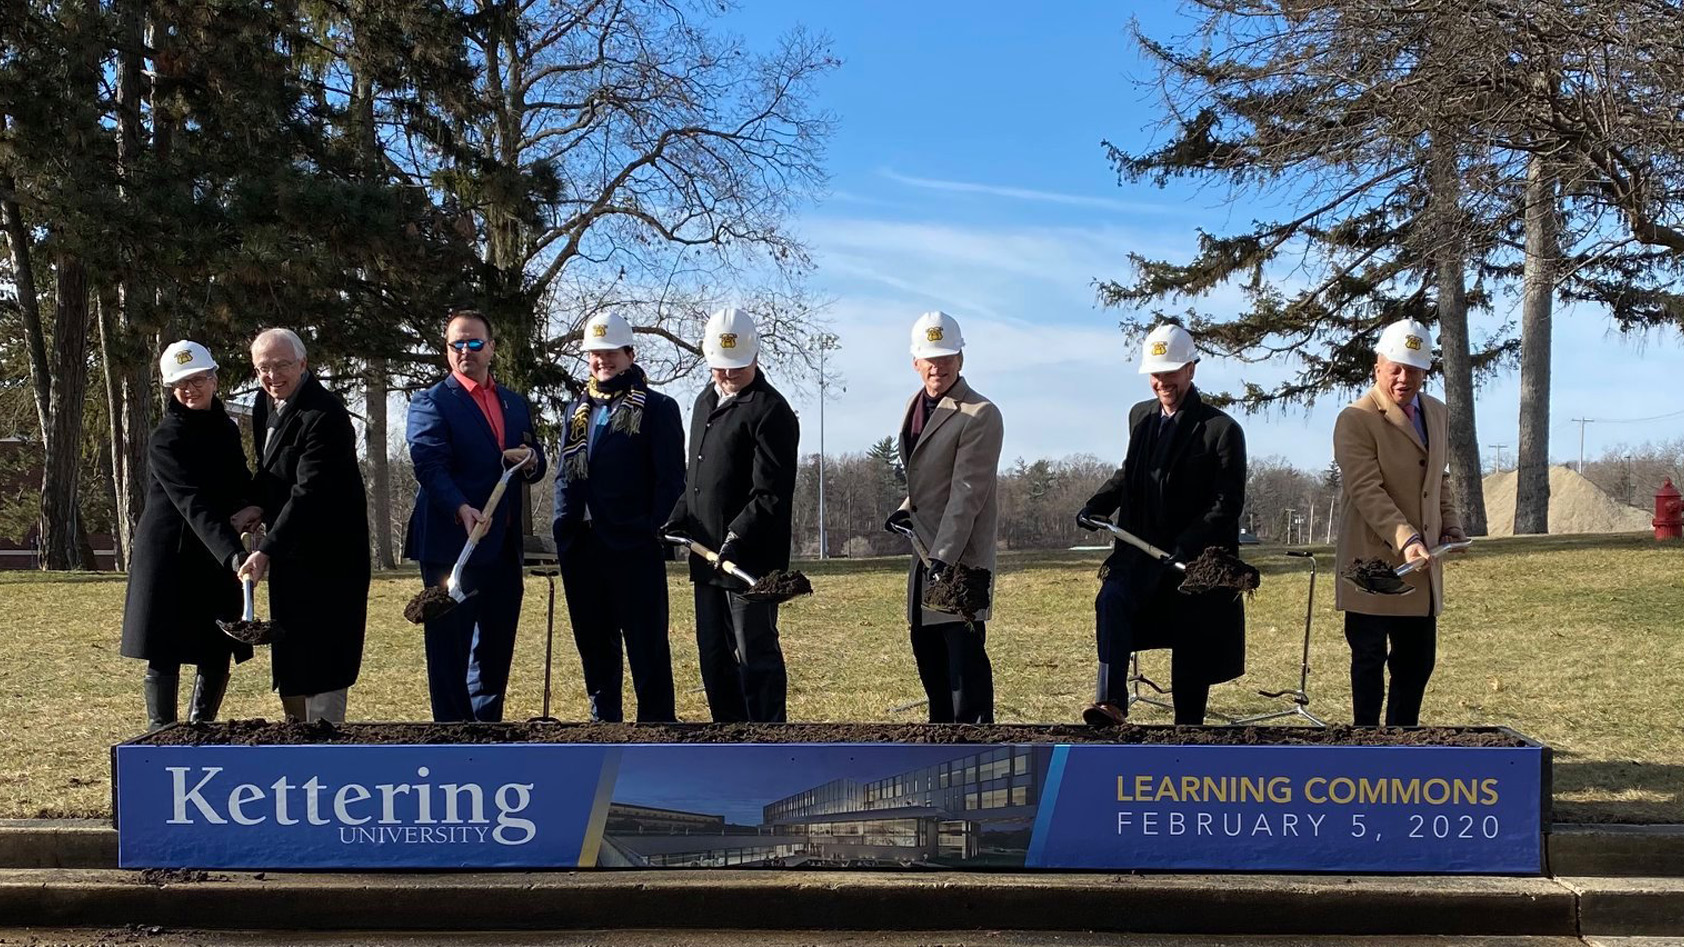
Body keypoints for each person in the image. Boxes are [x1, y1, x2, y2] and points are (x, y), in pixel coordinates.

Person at [1077, 323, 1247, 727]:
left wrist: (1187, 544)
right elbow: (1130, 472)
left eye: (1170, 372)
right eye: (1155, 374)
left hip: (1191, 567)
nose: (1162, 382)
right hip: (1138, 555)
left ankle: (1188, 730)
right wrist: (1098, 504)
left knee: (1191, 641)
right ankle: (1111, 703)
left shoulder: (1221, 431)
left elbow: (1227, 504)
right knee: (1111, 601)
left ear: (1191, 369)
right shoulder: (1140, 418)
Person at [406, 309, 547, 722]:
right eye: (456, 345)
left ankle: (486, 734)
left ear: (492, 349)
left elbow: (531, 459)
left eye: (473, 343)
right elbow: (429, 464)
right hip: (453, 548)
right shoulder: (431, 402)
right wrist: (460, 507)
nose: (465, 351)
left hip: (502, 548)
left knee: (495, 650)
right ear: (447, 352)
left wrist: (531, 461)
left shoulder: (514, 404)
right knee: (449, 652)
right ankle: (453, 737)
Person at [663, 307, 799, 722]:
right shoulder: (705, 401)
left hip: (749, 562)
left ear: (755, 357)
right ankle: (728, 735)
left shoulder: (771, 411)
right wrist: (681, 514)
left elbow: (771, 493)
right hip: (706, 556)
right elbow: (698, 475)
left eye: (736, 368)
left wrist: (736, 535)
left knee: (755, 651)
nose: (727, 376)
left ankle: (768, 738)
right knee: (714, 655)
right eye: (720, 368)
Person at [120, 341, 262, 730]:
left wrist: (253, 504)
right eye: (181, 383)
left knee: (215, 644)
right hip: (171, 554)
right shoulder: (166, 439)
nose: (191, 389)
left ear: (214, 379)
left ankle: (200, 730)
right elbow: (192, 503)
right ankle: (161, 732)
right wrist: (235, 556)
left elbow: (237, 481)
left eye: (198, 379)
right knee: (165, 647)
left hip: (216, 551)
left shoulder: (227, 429)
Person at [1334, 318, 1466, 727]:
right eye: (1395, 368)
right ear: (1378, 366)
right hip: (1373, 568)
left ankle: (1403, 744)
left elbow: (1438, 478)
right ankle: (1367, 743)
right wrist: (1406, 538)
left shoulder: (1438, 413)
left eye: (1413, 369)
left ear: (1426, 371)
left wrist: (1450, 522)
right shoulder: (1356, 419)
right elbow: (1367, 491)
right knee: (1369, 662)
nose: (1403, 378)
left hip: (1422, 568)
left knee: (1417, 663)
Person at [553, 312, 684, 722]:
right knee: (594, 646)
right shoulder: (577, 412)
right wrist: (563, 530)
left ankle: (656, 729)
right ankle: (603, 724)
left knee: (647, 648)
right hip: (583, 548)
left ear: (630, 354)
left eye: (611, 353)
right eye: (595, 354)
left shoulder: (658, 408)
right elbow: (564, 476)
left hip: (634, 546)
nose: (602, 361)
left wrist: (650, 531)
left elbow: (670, 480)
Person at [240, 328, 370, 724]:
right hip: (291, 557)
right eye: (263, 367)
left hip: (332, 560)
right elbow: (272, 472)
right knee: (293, 657)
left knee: (326, 661)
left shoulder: (325, 415)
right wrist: (253, 505)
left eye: (281, 365)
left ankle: (325, 747)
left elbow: (308, 492)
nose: (272, 375)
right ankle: (296, 742)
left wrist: (265, 550)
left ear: (303, 364)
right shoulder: (266, 406)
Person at [884, 311, 1003, 724]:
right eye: (930, 359)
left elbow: (967, 490)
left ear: (961, 358)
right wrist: (903, 511)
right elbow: (926, 482)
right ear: (915, 361)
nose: (939, 366)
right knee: (927, 652)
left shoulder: (981, 413)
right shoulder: (913, 406)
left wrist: (944, 556)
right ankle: (939, 742)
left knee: (963, 663)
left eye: (947, 356)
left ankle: (974, 743)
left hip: (960, 558)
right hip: (924, 553)